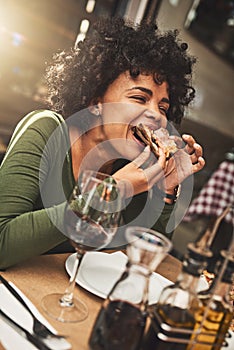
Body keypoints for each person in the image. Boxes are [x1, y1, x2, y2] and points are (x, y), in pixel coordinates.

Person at [0, 17, 205, 269]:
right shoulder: (47, 129)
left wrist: (167, 190)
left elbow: (143, 262)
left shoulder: (134, 164)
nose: (157, 115)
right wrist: (111, 192)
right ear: (96, 102)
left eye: (163, 107)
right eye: (140, 98)